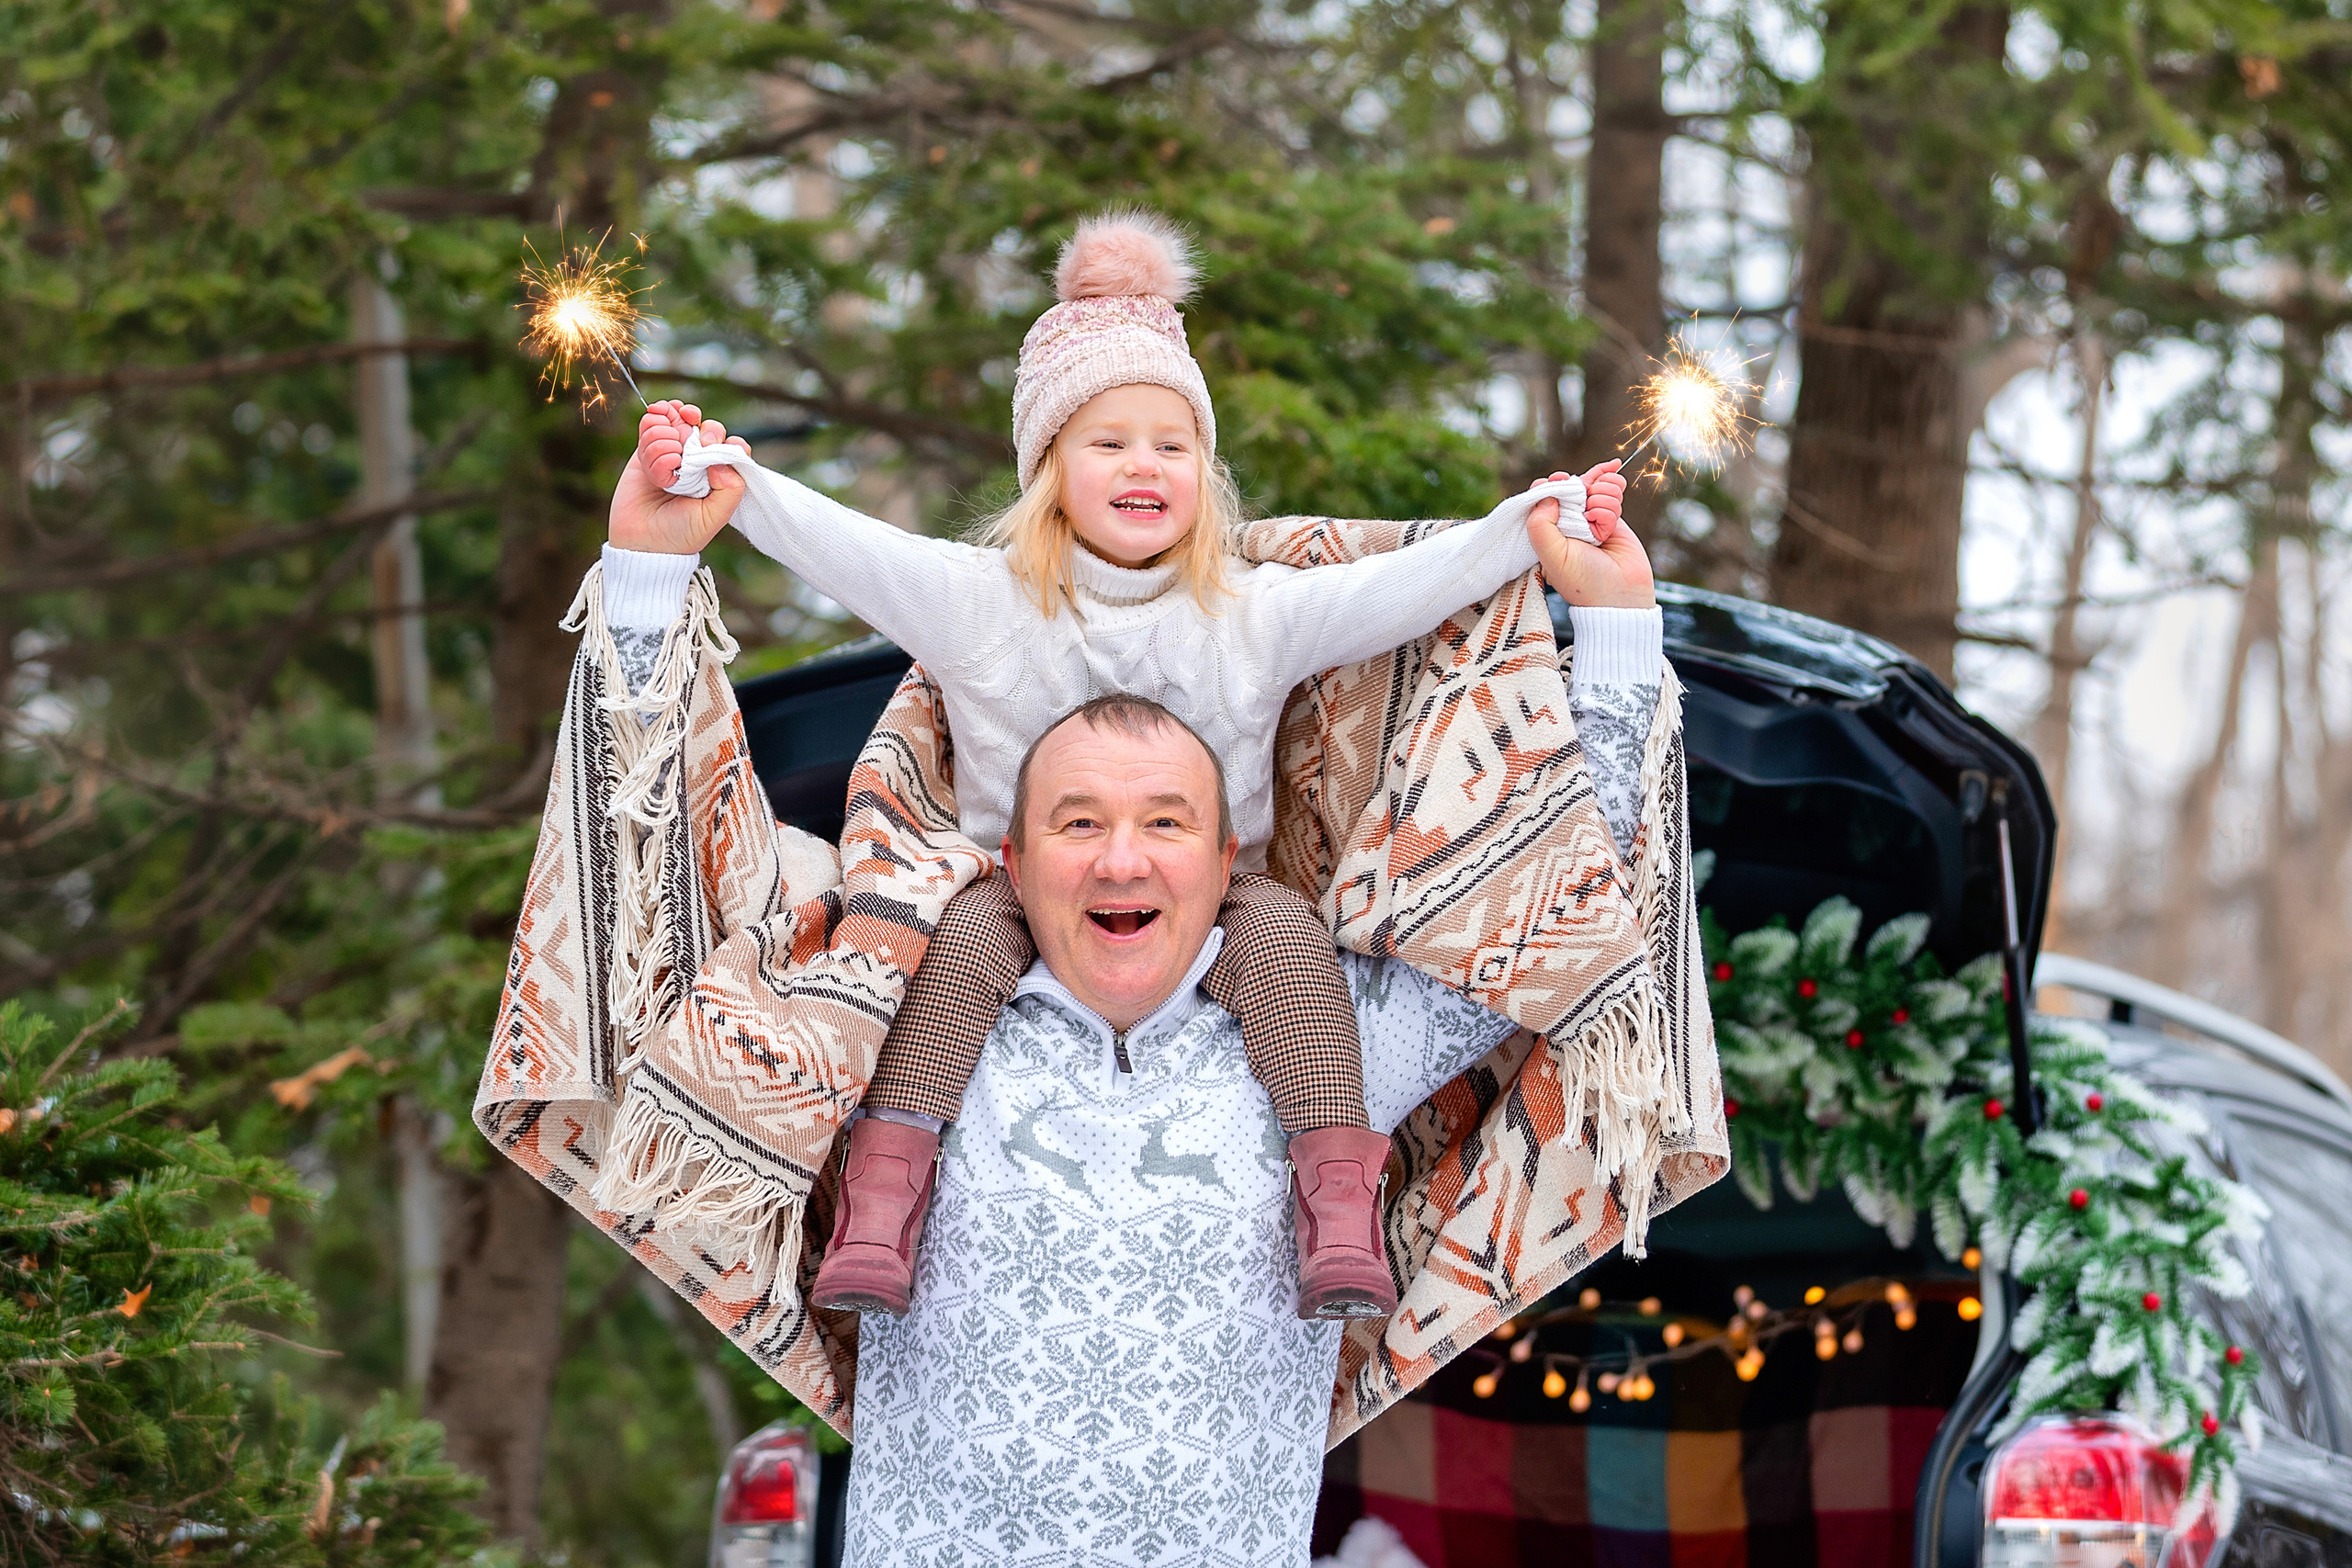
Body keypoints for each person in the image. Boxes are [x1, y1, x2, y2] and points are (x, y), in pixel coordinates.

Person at [604, 209, 1630, 1322]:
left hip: (1213, 897)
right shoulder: (974, 602)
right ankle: (881, 1207)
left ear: (1204, 469)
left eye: (1171, 444)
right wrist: (729, 482)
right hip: (1015, 885)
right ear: (1049, 468)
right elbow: (845, 543)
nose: (1145, 464)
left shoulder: (1248, 613)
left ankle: (1335, 1207)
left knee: (1289, 943)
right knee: (949, 957)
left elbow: (1398, 590)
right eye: (1108, 442)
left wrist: (1527, 524)